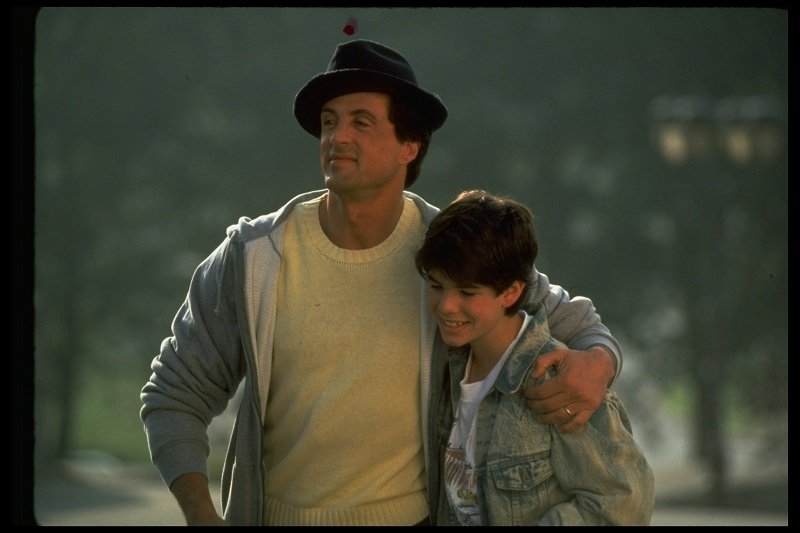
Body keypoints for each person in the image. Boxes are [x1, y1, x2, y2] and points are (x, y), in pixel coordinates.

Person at [140, 39, 622, 526]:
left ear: (409, 146)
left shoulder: (452, 253)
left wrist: (599, 363)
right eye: (329, 122)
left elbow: (577, 323)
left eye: (360, 122)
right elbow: (172, 395)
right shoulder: (254, 258)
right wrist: (201, 513)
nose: (336, 137)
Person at [416, 189, 654, 525]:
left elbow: (622, 504)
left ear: (512, 291)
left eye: (467, 292)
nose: (446, 306)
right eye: (436, 286)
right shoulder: (445, 368)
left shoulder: (557, 382)